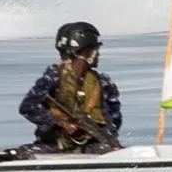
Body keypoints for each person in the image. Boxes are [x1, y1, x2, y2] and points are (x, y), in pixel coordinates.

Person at [18, 21, 122, 154]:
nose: (98, 55)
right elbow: (28, 107)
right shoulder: (54, 76)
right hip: (56, 144)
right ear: (82, 52)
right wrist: (60, 123)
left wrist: (107, 138)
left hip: (93, 145)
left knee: (111, 152)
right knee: (25, 154)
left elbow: (114, 117)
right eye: (93, 50)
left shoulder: (102, 82)